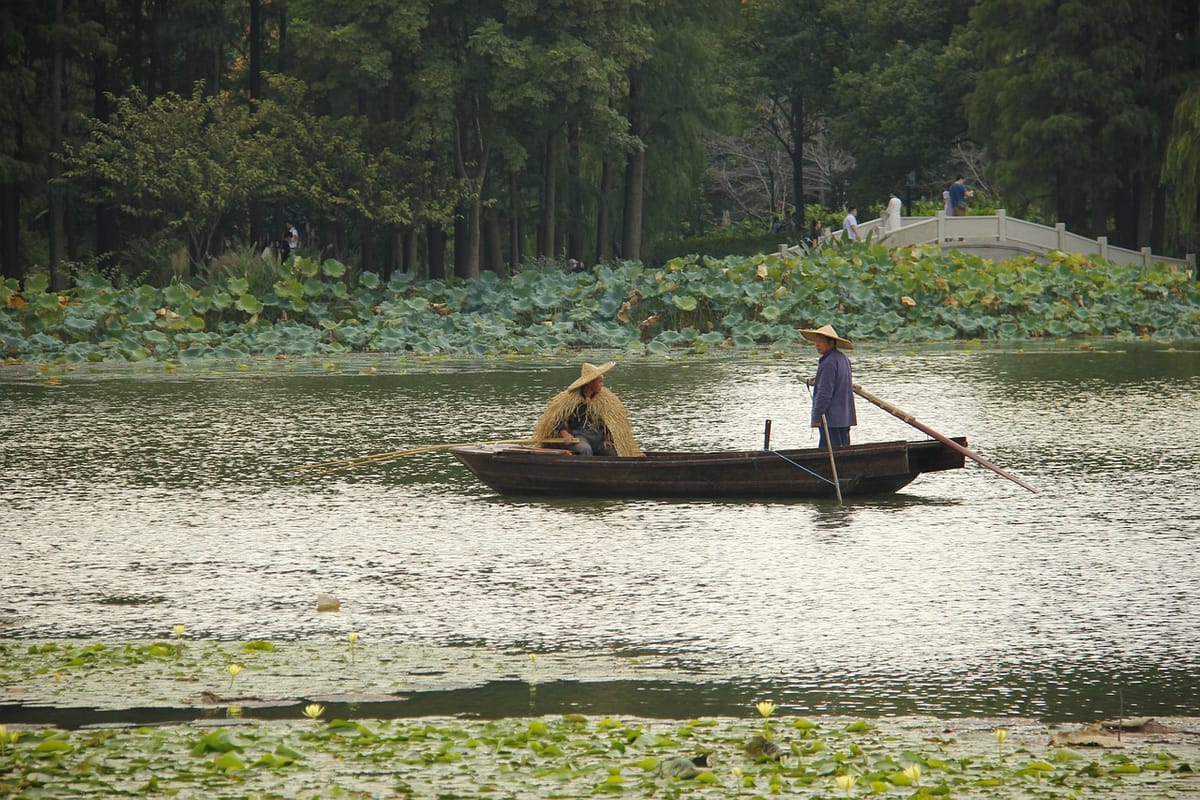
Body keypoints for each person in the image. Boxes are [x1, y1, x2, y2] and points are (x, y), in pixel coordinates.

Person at [532, 361, 643, 456]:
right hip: (579, 436)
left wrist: (607, 438)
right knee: (585, 450)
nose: (602, 385)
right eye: (599, 382)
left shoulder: (603, 401)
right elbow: (556, 419)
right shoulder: (571, 401)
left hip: (597, 438)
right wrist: (565, 434)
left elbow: (607, 422)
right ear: (590, 383)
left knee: (611, 452)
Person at [799, 324, 857, 449]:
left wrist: (816, 416)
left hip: (831, 419)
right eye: (816, 341)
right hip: (844, 417)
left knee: (828, 453)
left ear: (831, 342)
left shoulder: (828, 363)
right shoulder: (843, 358)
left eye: (821, 341)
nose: (817, 345)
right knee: (843, 452)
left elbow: (824, 393)